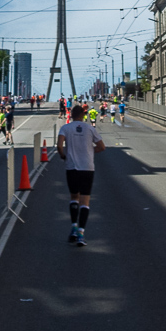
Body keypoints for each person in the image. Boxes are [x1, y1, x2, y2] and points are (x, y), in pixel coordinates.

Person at [56, 104, 105, 247]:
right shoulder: (90, 129)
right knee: (85, 201)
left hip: (71, 167)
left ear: (71, 115)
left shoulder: (65, 128)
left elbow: (59, 145)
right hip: (87, 168)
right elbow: (102, 147)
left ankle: (73, 227)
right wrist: (91, 152)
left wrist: (63, 156)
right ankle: (81, 234)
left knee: (74, 198)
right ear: (83, 115)